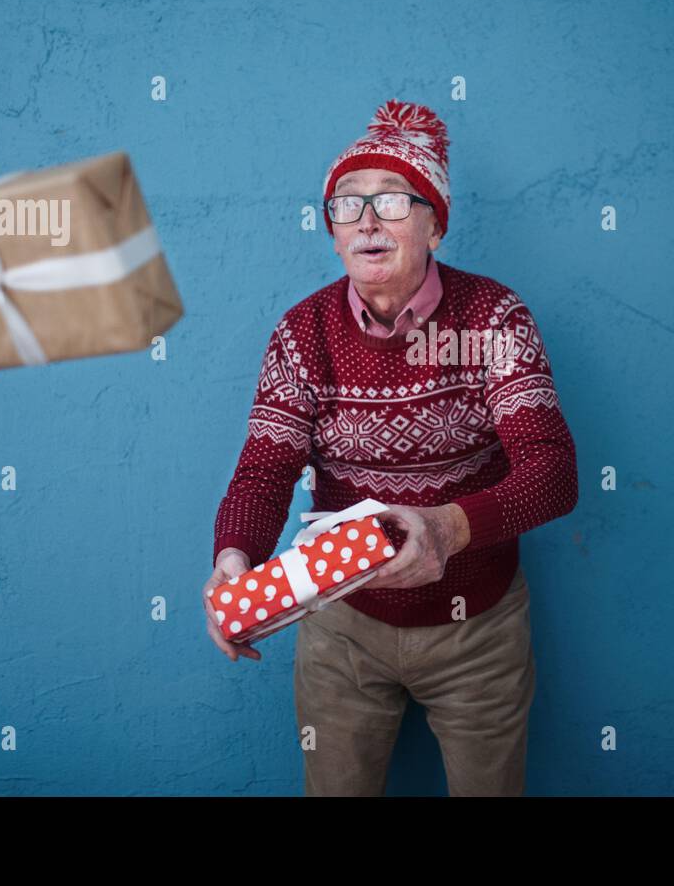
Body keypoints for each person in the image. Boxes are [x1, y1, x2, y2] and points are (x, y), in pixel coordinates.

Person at [202, 98, 578, 795]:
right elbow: (263, 471)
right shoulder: (301, 334)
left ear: (435, 224)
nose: (367, 220)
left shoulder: (496, 319)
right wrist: (235, 559)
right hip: (342, 629)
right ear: (333, 235)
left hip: (479, 630)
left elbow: (553, 473)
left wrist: (446, 527)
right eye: (347, 206)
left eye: (393, 201)